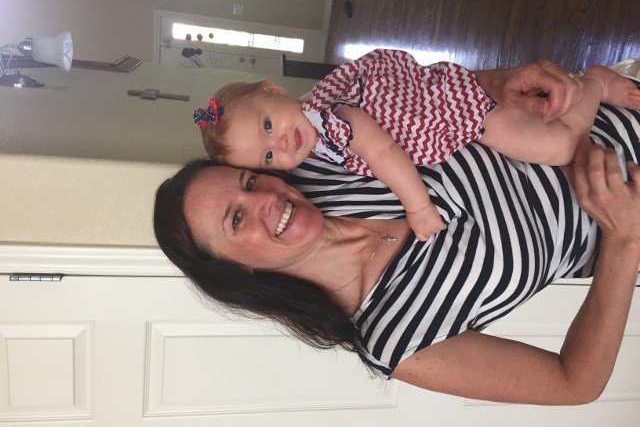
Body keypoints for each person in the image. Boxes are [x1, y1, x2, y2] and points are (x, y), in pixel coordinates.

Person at [155, 60, 640, 405]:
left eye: (249, 181)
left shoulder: (322, 156)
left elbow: (412, 90)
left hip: (621, 110)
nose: (264, 199)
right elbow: (574, 383)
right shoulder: (396, 337)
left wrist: (499, 80)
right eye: (236, 220)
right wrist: (624, 239)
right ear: (238, 270)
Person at [192, 49, 640, 241]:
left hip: (459, 111)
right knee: (543, 123)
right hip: (446, 111)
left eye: (269, 124)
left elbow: (385, 153)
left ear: (273, 90)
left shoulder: (335, 117)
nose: (282, 143)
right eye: (269, 155)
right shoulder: (314, 136)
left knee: (560, 146)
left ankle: (596, 83)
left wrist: (419, 207)